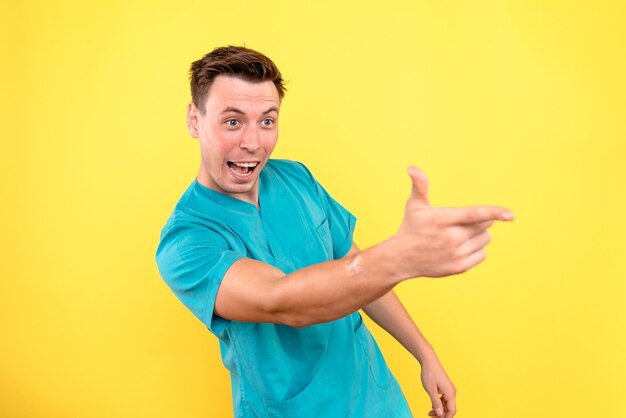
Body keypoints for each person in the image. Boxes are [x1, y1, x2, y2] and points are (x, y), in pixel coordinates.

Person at [155, 45, 514, 418]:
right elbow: (281, 301)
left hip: (376, 398)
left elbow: (355, 265)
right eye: (233, 121)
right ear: (195, 120)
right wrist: (401, 257)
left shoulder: (296, 177)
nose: (253, 143)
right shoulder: (186, 241)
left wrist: (425, 353)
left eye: (267, 121)